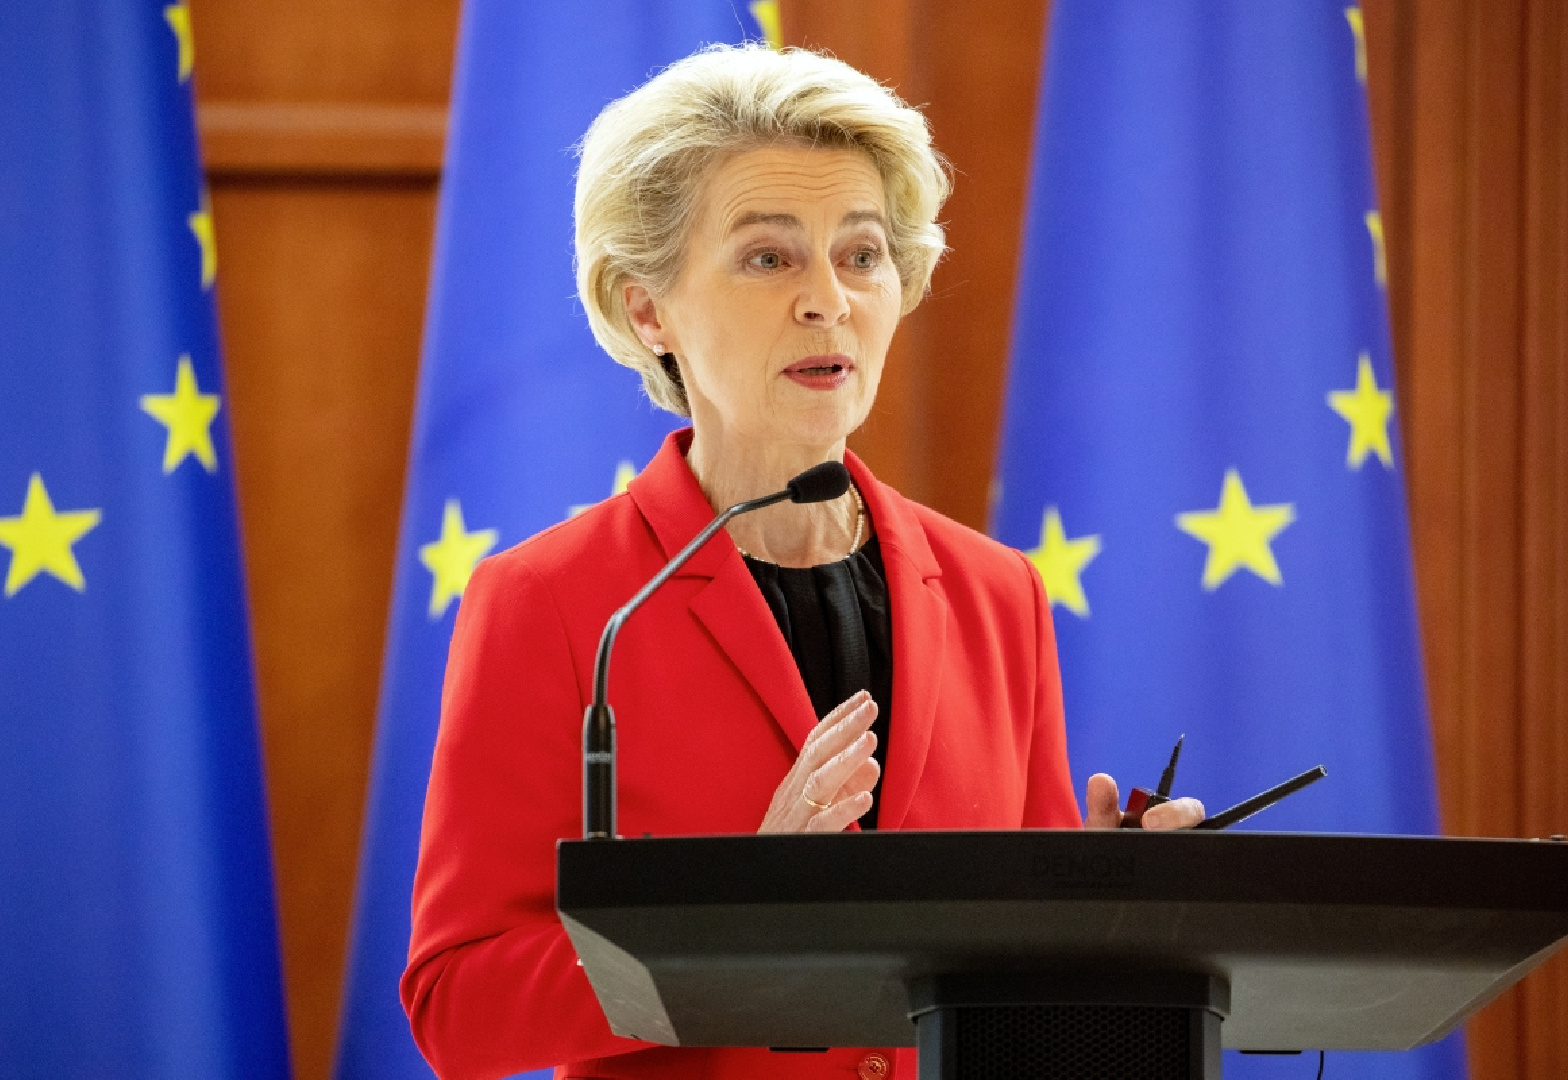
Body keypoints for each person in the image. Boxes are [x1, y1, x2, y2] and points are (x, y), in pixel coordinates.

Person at [401, 43, 1204, 1080]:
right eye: (769, 258)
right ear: (648, 309)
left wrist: (1106, 918)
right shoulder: (557, 602)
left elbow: (1017, 1008)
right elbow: (457, 1005)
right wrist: (737, 915)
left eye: (862, 254)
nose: (829, 298)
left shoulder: (997, 594)